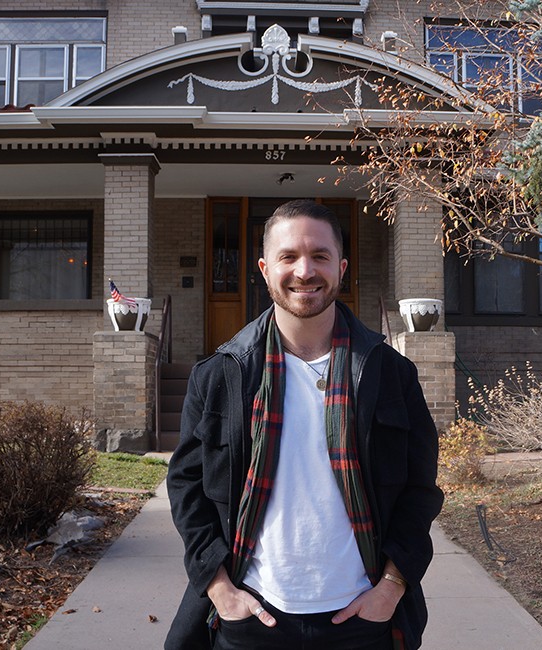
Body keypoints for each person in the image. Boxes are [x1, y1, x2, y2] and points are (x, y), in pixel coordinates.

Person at [165, 199, 443, 650]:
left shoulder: (389, 374)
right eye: (288, 256)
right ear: (263, 268)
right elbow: (186, 486)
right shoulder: (220, 375)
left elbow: (420, 489)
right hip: (251, 618)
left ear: (342, 267)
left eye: (320, 256)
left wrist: (391, 587)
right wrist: (219, 589)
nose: (304, 271)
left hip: (361, 619)